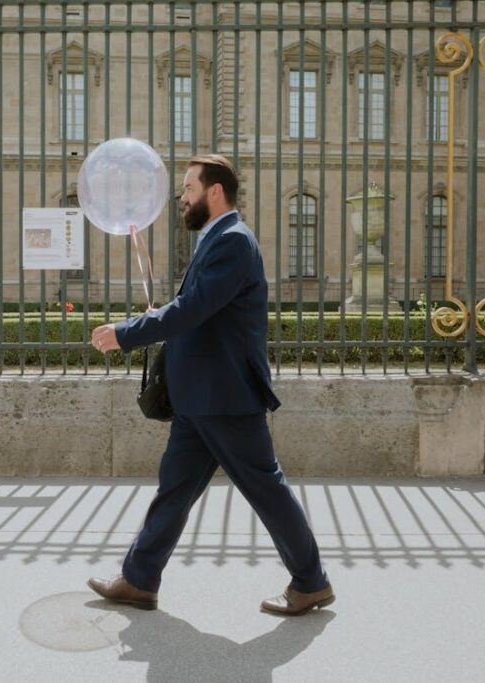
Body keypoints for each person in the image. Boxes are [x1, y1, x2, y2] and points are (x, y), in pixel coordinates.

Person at [88, 154, 334, 616]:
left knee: (266, 489)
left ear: (214, 192)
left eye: (188, 188)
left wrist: (126, 332)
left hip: (224, 397)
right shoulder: (216, 239)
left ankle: (311, 581)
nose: (181, 197)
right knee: (174, 489)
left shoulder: (234, 243)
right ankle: (139, 580)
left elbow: (191, 310)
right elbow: (196, 312)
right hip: (199, 397)